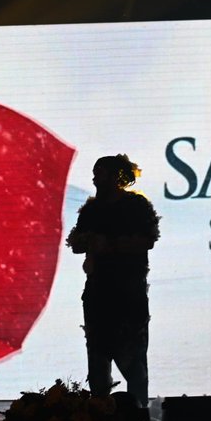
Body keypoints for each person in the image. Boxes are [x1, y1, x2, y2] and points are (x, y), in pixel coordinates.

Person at [66, 154, 160, 407]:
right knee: (98, 366)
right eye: (95, 173)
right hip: (98, 295)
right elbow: (76, 243)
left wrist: (109, 245)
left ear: (115, 176)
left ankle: (137, 419)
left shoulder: (136, 206)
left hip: (129, 295)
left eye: (100, 173)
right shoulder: (92, 209)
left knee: (135, 366)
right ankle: (100, 419)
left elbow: (148, 239)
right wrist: (86, 242)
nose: (95, 179)